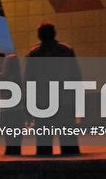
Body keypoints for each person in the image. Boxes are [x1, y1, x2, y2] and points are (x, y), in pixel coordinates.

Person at [25, 22, 80, 157]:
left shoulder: (34, 54)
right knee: (68, 140)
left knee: (44, 140)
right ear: (54, 34)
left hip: (43, 100)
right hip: (65, 99)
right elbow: (75, 76)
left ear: (39, 36)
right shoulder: (66, 50)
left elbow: (29, 79)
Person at [0, 54, 24, 157]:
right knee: (17, 136)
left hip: (5, 110)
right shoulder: (20, 77)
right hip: (18, 109)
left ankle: (5, 153)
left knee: (7, 136)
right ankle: (16, 153)